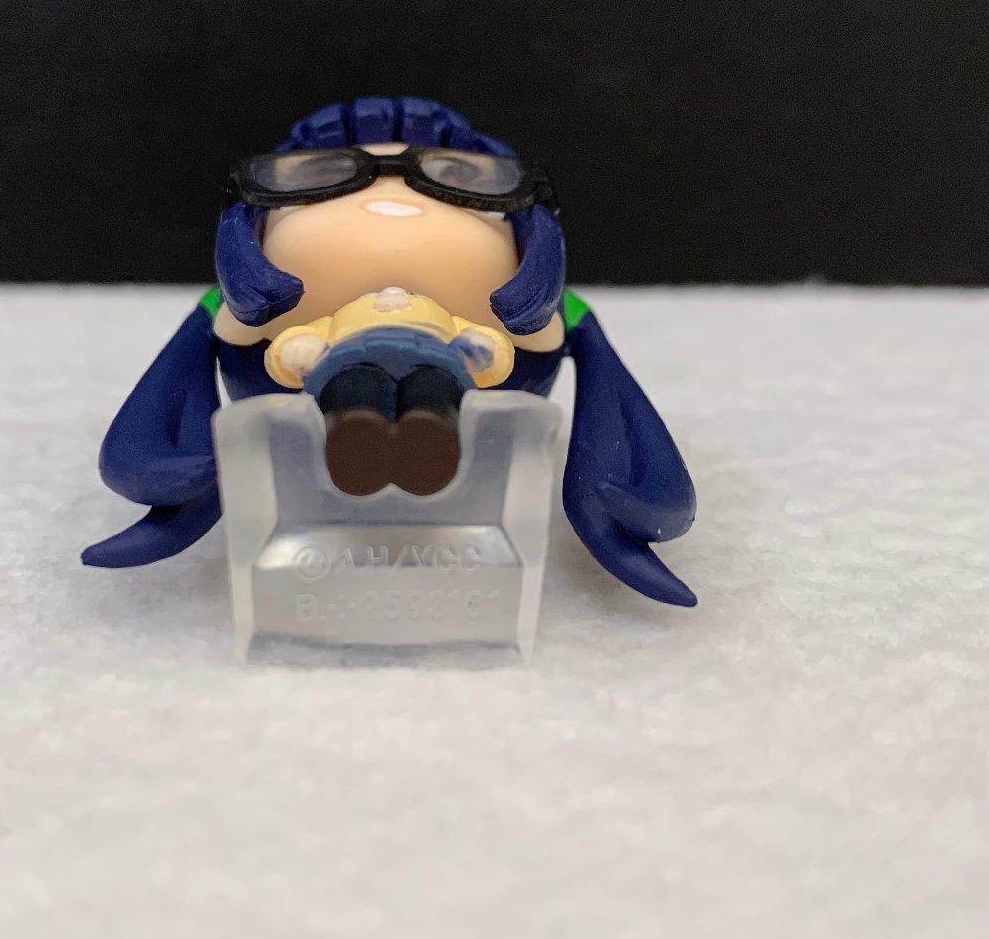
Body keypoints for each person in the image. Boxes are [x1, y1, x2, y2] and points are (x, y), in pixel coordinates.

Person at [83, 97, 698, 607]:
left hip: (451, 370)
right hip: (330, 373)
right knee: (354, 394)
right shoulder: (235, 310)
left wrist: (487, 347)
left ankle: (427, 442)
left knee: (429, 397)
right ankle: (359, 439)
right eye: (326, 174)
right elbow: (241, 348)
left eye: (455, 179)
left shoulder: (552, 316)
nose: (391, 192)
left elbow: (537, 351)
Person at [264, 287, 514, 496]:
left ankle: (431, 439)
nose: (390, 293)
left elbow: (492, 347)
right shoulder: (333, 323)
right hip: (350, 362)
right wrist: (299, 348)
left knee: (431, 391)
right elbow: (297, 339)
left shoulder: (450, 322)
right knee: (355, 389)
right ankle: (352, 440)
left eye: (412, 294)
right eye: (371, 295)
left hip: (435, 362)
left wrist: (482, 346)